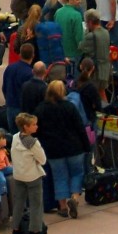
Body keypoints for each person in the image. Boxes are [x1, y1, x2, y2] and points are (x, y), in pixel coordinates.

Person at [35, 80, 92, 218]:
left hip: (53, 149)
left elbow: (38, 130)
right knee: (77, 173)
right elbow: (80, 127)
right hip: (74, 147)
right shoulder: (70, 107)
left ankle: (62, 207)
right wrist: (87, 146)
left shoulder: (41, 109)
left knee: (59, 177)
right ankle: (75, 197)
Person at [10, 113, 48, 234]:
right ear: (26, 127)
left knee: (19, 203)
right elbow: (42, 160)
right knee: (36, 205)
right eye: (34, 125)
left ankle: (15, 230)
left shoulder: (15, 137)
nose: (36, 126)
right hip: (32, 177)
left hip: (18, 175)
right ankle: (35, 232)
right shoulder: (33, 143)